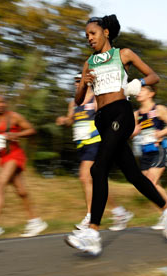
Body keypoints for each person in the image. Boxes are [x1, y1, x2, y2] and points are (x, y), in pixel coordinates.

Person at [65, 15, 167, 256]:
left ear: (106, 32)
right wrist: (83, 84)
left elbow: (153, 76)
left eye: (92, 33)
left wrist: (135, 84)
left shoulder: (123, 54)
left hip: (122, 114)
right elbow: (78, 101)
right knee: (133, 175)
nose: (89, 38)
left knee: (97, 170)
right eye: (86, 35)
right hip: (102, 119)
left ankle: (93, 233)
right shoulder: (89, 63)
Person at [56, 73, 133, 231]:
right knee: (95, 181)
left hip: (96, 142)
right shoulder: (74, 102)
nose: (76, 84)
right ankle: (119, 212)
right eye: (75, 81)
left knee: (84, 176)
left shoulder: (97, 99)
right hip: (82, 144)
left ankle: (90, 216)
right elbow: (71, 119)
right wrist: (64, 120)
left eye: (79, 81)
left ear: (88, 82)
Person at [0, 95, 47, 240]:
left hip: (15, 155)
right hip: (3, 157)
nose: (0, 105)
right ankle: (35, 221)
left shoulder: (14, 117)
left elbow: (31, 130)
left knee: (0, 183)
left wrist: (16, 134)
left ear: (6, 104)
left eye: (3, 102)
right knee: (21, 191)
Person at [132, 85, 167, 230]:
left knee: (151, 183)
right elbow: (133, 132)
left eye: (142, 90)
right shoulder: (137, 114)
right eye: (137, 91)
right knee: (150, 186)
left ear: (151, 94)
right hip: (145, 152)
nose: (138, 93)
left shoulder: (159, 109)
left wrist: (161, 133)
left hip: (158, 150)